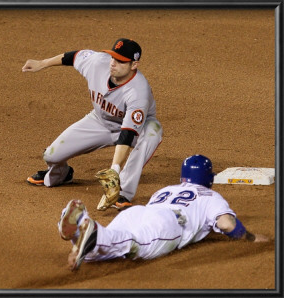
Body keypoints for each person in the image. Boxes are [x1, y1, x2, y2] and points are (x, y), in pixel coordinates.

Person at [57, 155, 270, 271]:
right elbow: (226, 224)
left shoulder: (166, 189)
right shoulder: (209, 196)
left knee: (110, 248)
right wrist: (250, 238)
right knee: (134, 244)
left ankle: (81, 235)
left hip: (137, 213)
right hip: (168, 222)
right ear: (209, 179)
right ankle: (90, 229)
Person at [22, 38, 163, 210]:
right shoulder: (98, 63)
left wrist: (115, 170)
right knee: (51, 156)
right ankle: (62, 174)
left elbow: (127, 134)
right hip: (100, 121)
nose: (113, 63)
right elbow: (74, 57)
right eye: (113, 57)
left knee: (152, 133)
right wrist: (42, 63)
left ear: (134, 65)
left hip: (137, 129)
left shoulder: (138, 91)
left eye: (120, 61)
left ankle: (123, 191)